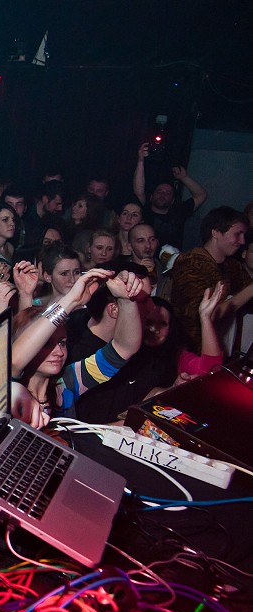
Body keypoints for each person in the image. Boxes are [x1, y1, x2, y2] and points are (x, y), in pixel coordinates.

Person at [75, 287, 225, 424]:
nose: (154, 329)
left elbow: (210, 370)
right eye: (149, 322)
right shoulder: (119, 351)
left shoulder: (174, 354)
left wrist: (205, 318)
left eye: (163, 324)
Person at [11, 269, 142, 416]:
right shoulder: (10, 389)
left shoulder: (67, 382)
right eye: (47, 344)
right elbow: (15, 360)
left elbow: (125, 348)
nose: (59, 352)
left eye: (62, 343)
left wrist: (125, 299)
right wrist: (72, 299)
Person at [169, 206, 253, 350]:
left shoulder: (232, 266)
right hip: (192, 353)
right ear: (215, 232)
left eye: (244, 235)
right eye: (237, 234)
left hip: (223, 356)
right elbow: (201, 315)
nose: (242, 241)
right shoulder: (190, 264)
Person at [133, 142, 207, 250]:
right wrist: (140, 161)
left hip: (172, 262)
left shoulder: (178, 213)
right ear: (151, 197)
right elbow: (139, 191)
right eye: (159, 192)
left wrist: (184, 178)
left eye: (168, 193)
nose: (163, 194)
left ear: (172, 200)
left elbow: (201, 195)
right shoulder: (145, 211)